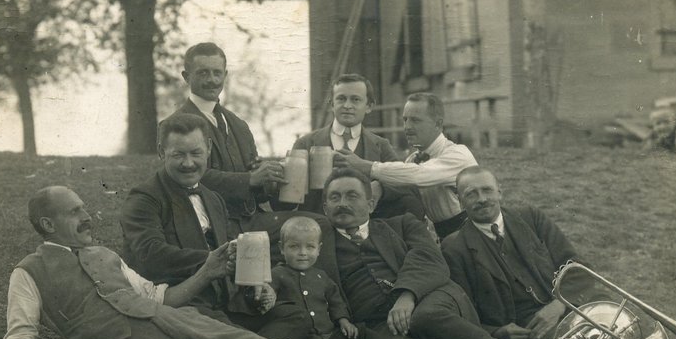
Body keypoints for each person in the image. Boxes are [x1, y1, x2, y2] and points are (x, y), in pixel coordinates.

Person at [3, 185, 439, 339]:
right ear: (48, 223)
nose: (88, 217)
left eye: (84, 208)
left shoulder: (104, 255)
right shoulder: (29, 271)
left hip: (169, 319)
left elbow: (159, 297)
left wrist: (208, 271)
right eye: (76, 211)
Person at [291, 168, 531, 339]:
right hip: (377, 323)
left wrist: (407, 295)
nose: (343, 203)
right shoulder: (315, 246)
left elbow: (429, 257)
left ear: (371, 204)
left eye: (352, 196)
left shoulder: (402, 224)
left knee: (426, 317)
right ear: (325, 209)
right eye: (335, 198)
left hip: (430, 296)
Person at [120, 113, 310, 339]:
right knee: (243, 338)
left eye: (196, 153)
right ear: (161, 152)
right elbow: (150, 254)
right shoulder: (144, 198)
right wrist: (211, 261)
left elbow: (230, 251)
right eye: (178, 155)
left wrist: (257, 284)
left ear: (208, 149)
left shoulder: (214, 199)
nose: (188, 163)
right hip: (185, 305)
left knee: (297, 317)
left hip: (225, 304)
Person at [441, 166, 602, 339]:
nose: (482, 199)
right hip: (528, 330)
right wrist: (497, 333)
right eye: (471, 194)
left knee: (613, 316)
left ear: (499, 192)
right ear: (460, 202)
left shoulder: (530, 217)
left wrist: (559, 305)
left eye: (487, 190)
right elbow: (463, 312)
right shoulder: (454, 247)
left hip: (565, 303)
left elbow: (577, 266)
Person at [167, 42, 287, 235]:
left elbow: (255, 188)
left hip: (251, 221)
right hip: (211, 226)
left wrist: (270, 181)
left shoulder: (239, 125)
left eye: (217, 73)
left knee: (316, 224)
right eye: (203, 73)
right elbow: (190, 177)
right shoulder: (173, 125)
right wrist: (250, 179)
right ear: (186, 77)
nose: (212, 80)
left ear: (225, 75)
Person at [335, 92, 478, 238]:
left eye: (415, 120)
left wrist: (366, 166)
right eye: (405, 120)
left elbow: (419, 175)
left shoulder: (458, 154)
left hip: (474, 232)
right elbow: (403, 182)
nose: (407, 126)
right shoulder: (413, 160)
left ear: (438, 124)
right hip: (444, 236)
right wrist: (379, 187)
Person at [291, 73, 424, 219]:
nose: (347, 106)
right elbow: (289, 199)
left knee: (410, 203)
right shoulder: (306, 143)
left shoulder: (380, 145)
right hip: (319, 225)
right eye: (341, 99)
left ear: (369, 106)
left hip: (366, 226)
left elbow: (406, 183)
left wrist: (380, 188)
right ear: (332, 104)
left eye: (355, 99)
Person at [269, 216, 378, 339]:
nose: (302, 253)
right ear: (282, 248)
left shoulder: (322, 276)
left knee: (349, 335)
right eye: (294, 247)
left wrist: (343, 320)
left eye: (310, 247)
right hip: (306, 335)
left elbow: (335, 301)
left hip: (328, 331)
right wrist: (268, 293)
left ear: (319, 249)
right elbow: (268, 293)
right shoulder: (278, 274)